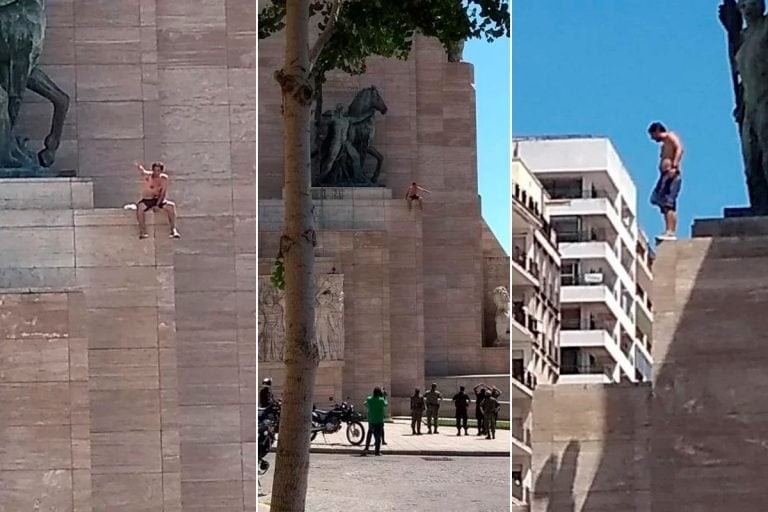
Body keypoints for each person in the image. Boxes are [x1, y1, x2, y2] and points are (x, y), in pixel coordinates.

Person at [647, 123, 683, 241]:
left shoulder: (670, 136)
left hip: (671, 173)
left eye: (653, 135)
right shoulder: (664, 145)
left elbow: (679, 148)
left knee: (668, 203)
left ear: (657, 131)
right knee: (658, 200)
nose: (653, 138)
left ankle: (670, 231)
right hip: (664, 175)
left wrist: (675, 165)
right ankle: (668, 229)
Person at [134, 161, 180, 239]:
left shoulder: (164, 179)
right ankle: (143, 231)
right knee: (140, 209)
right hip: (147, 200)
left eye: (158, 171)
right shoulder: (148, 176)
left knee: (171, 206)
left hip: (158, 199)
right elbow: (143, 172)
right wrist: (139, 167)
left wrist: (158, 205)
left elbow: (163, 193)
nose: (156, 172)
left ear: (161, 171)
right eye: (154, 170)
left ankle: (173, 229)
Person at [362, 387, 388, 456]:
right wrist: (384, 396)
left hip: (371, 420)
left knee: (369, 433)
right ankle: (377, 451)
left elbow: (364, 403)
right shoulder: (381, 400)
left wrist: (369, 407)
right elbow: (386, 404)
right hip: (379, 420)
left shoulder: (369, 399)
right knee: (378, 436)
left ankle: (366, 447)